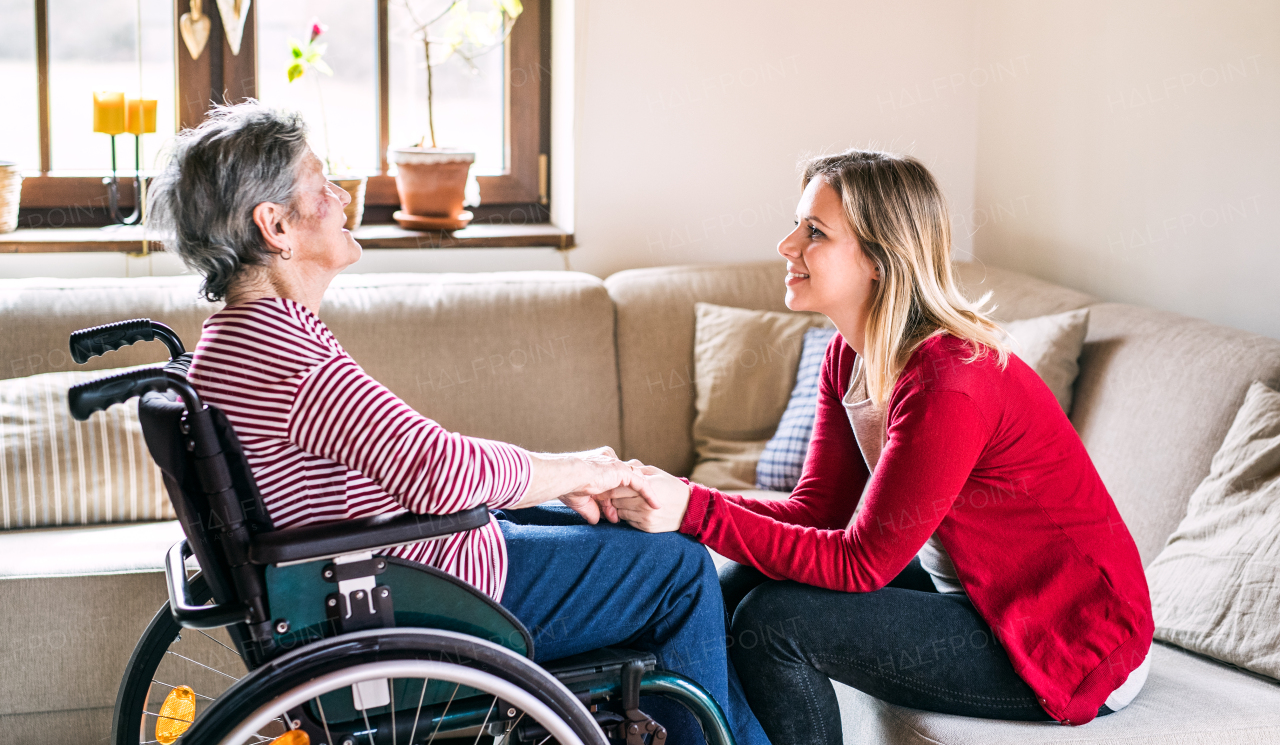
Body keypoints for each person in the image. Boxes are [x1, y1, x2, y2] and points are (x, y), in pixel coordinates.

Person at [147, 101, 770, 745]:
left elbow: (424, 462)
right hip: (416, 594)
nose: (340, 197)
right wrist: (582, 468)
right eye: (322, 183)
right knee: (680, 567)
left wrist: (565, 480)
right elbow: (444, 471)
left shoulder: (237, 341)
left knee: (627, 523)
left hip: (395, 565)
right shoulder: (289, 358)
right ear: (274, 225)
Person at [611, 150, 1154, 744]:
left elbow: (861, 562)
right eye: (798, 223)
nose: (786, 244)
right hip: (974, 594)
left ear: (878, 258)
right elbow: (817, 513)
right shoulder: (849, 355)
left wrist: (693, 510)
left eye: (814, 231)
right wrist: (680, 497)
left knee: (774, 623)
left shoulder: (950, 381)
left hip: (1063, 638)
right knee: (738, 584)